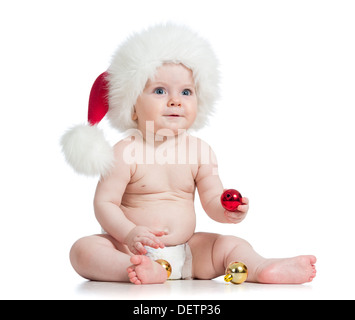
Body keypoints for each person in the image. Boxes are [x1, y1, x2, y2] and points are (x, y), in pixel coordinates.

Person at [61, 24, 316, 285]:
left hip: (188, 252)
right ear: (133, 106)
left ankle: (261, 267)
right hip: (130, 249)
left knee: (228, 244)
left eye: (186, 92)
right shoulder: (126, 151)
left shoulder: (200, 151)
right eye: (160, 91)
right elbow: (105, 203)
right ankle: (133, 269)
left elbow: (212, 200)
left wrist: (228, 210)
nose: (175, 101)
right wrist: (129, 234)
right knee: (84, 250)